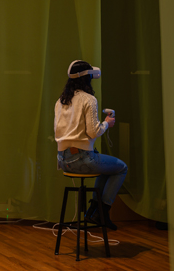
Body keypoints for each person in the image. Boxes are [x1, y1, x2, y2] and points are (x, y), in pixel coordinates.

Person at [54, 59, 127, 230]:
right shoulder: (89, 100)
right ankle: (101, 212)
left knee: (106, 167)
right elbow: (94, 132)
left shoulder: (60, 101)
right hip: (83, 159)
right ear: (87, 79)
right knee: (121, 168)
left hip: (63, 160)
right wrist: (107, 123)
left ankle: (93, 211)